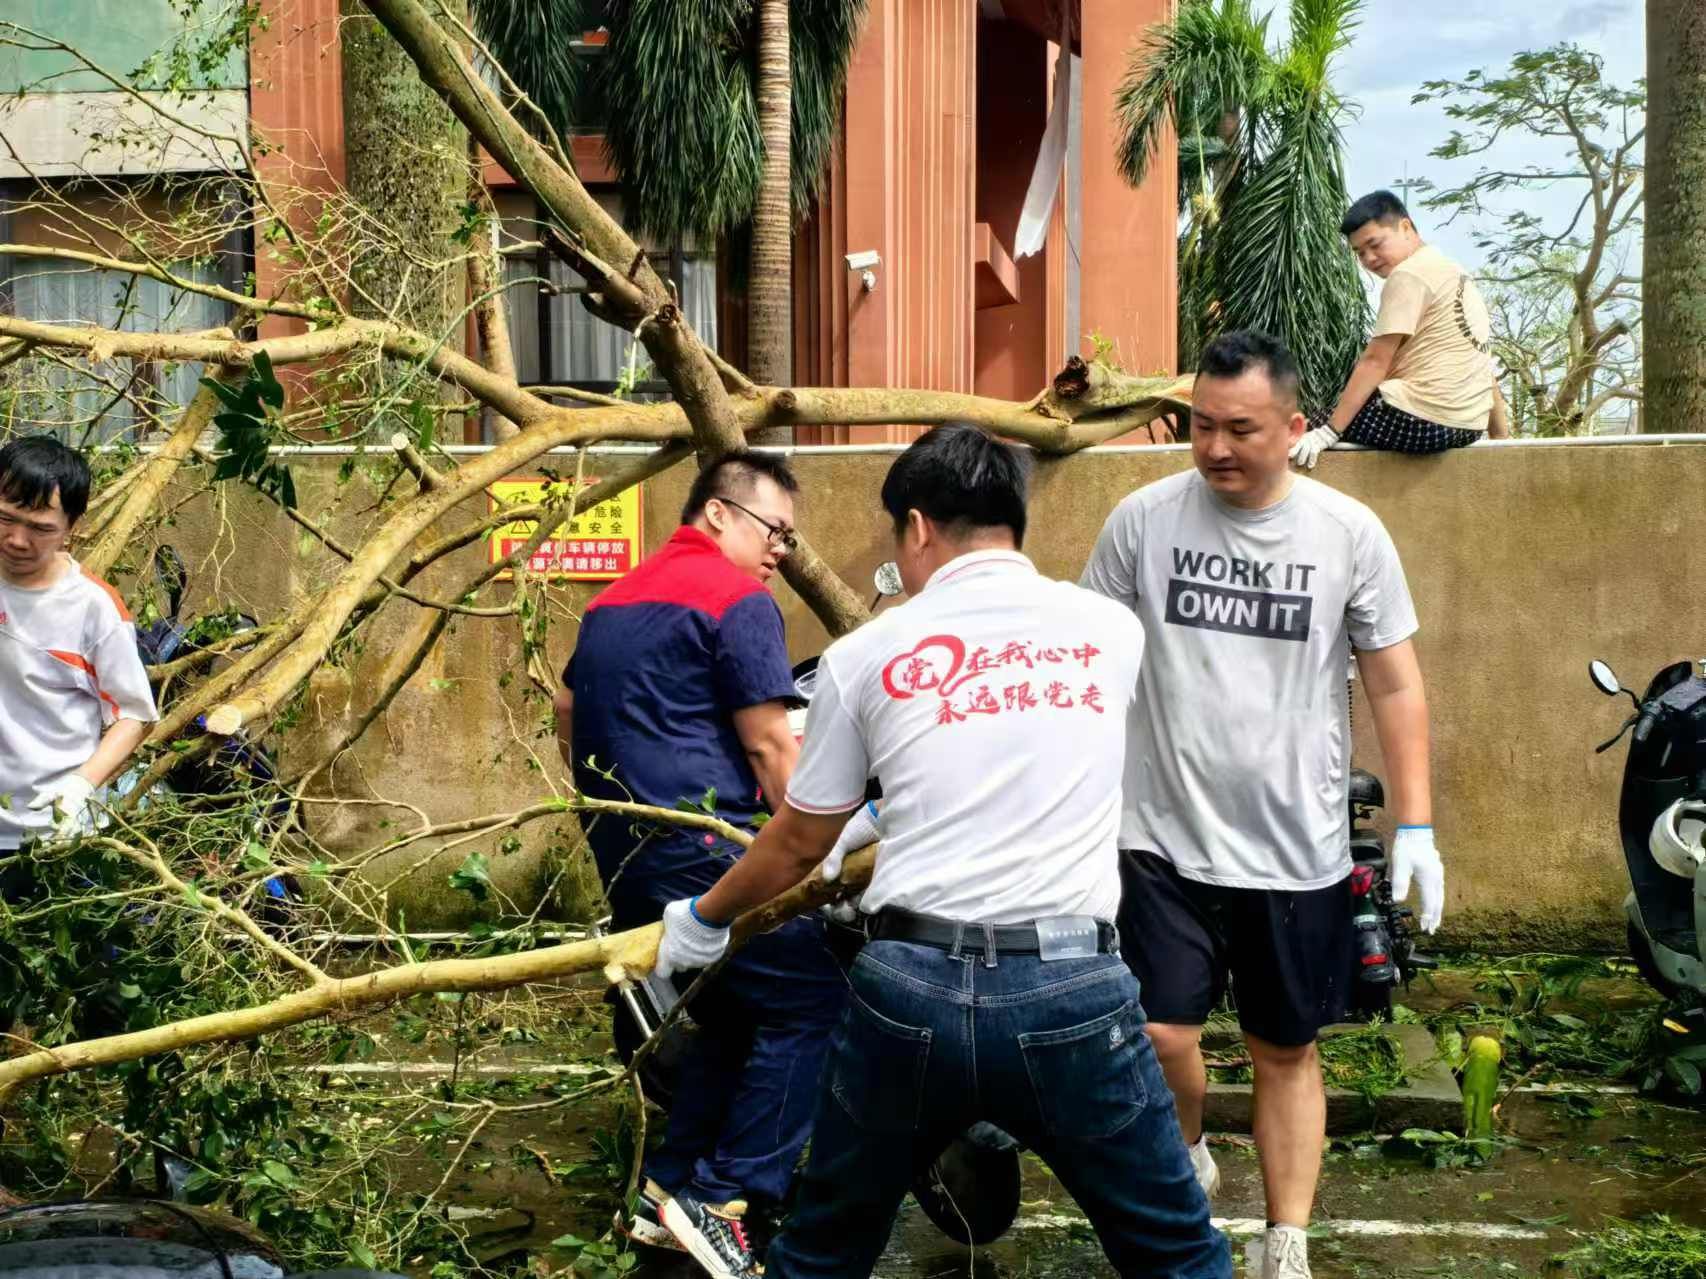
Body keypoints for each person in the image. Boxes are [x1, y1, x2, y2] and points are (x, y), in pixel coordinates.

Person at [654, 424, 1232, 1279]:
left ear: (918, 527)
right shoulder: (1112, 631)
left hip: (909, 993)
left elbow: (803, 838)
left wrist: (704, 917)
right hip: (1071, 987)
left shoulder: (863, 654)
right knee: (1179, 1253)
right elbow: (1012, 754)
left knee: (821, 1254)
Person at [1082, 331, 1444, 1279]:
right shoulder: (1142, 521)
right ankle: (1189, 1153)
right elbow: (1092, 665)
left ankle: (1286, 1239)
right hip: (1158, 835)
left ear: (1292, 426)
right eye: (1200, 425)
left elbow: (1395, 682)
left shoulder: (1346, 534)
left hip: (1294, 847)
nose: (1215, 447)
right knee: (1158, 1032)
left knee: (1285, 1048)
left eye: (1239, 429)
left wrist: (1416, 823)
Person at [554, 450, 845, 1275]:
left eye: (788, 538)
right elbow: (771, 746)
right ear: (717, 511)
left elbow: (566, 707)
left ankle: (665, 1194)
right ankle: (727, 1199)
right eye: (773, 529)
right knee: (813, 999)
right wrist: (816, 853)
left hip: (626, 853)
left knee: (735, 1013)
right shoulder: (737, 600)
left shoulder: (611, 601)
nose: (779, 550)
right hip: (709, 853)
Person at [0, 436, 157, 854]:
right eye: (5, 518)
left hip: (51, 830)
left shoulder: (93, 607)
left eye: (40, 528)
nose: (17, 539)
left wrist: (81, 785)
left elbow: (134, 715)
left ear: (73, 527)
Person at [1291, 190, 1508, 469]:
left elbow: (1375, 361)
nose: (1369, 258)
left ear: (1405, 227)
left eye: (1375, 244)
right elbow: (1483, 365)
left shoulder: (1408, 274)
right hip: (1468, 426)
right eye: (1359, 252)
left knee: (1301, 431)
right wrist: (1501, 437)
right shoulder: (1457, 274)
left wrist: (1328, 433)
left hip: (1421, 421)